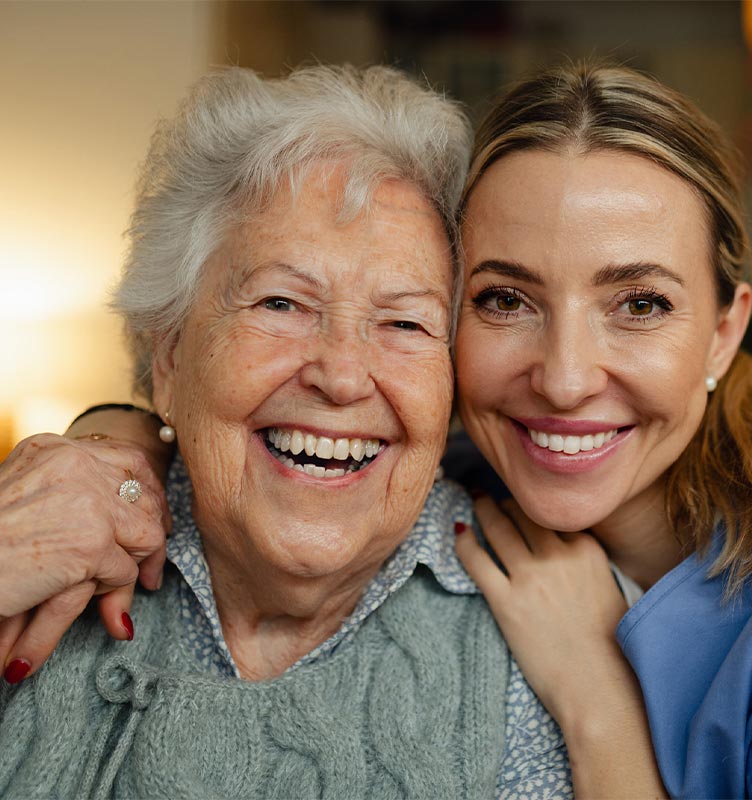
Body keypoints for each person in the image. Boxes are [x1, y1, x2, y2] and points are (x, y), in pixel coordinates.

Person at [0, 63, 608, 800]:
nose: (343, 375)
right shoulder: (39, 540)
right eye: (282, 303)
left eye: (405, 322)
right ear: (169, 355)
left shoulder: (545, 639)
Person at [452, 63, 752, 798]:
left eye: (640, 305)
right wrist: (140, 442)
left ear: (723, 333)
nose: (565, 378)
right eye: (506, 299)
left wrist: (599, 703)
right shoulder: (440, 489)